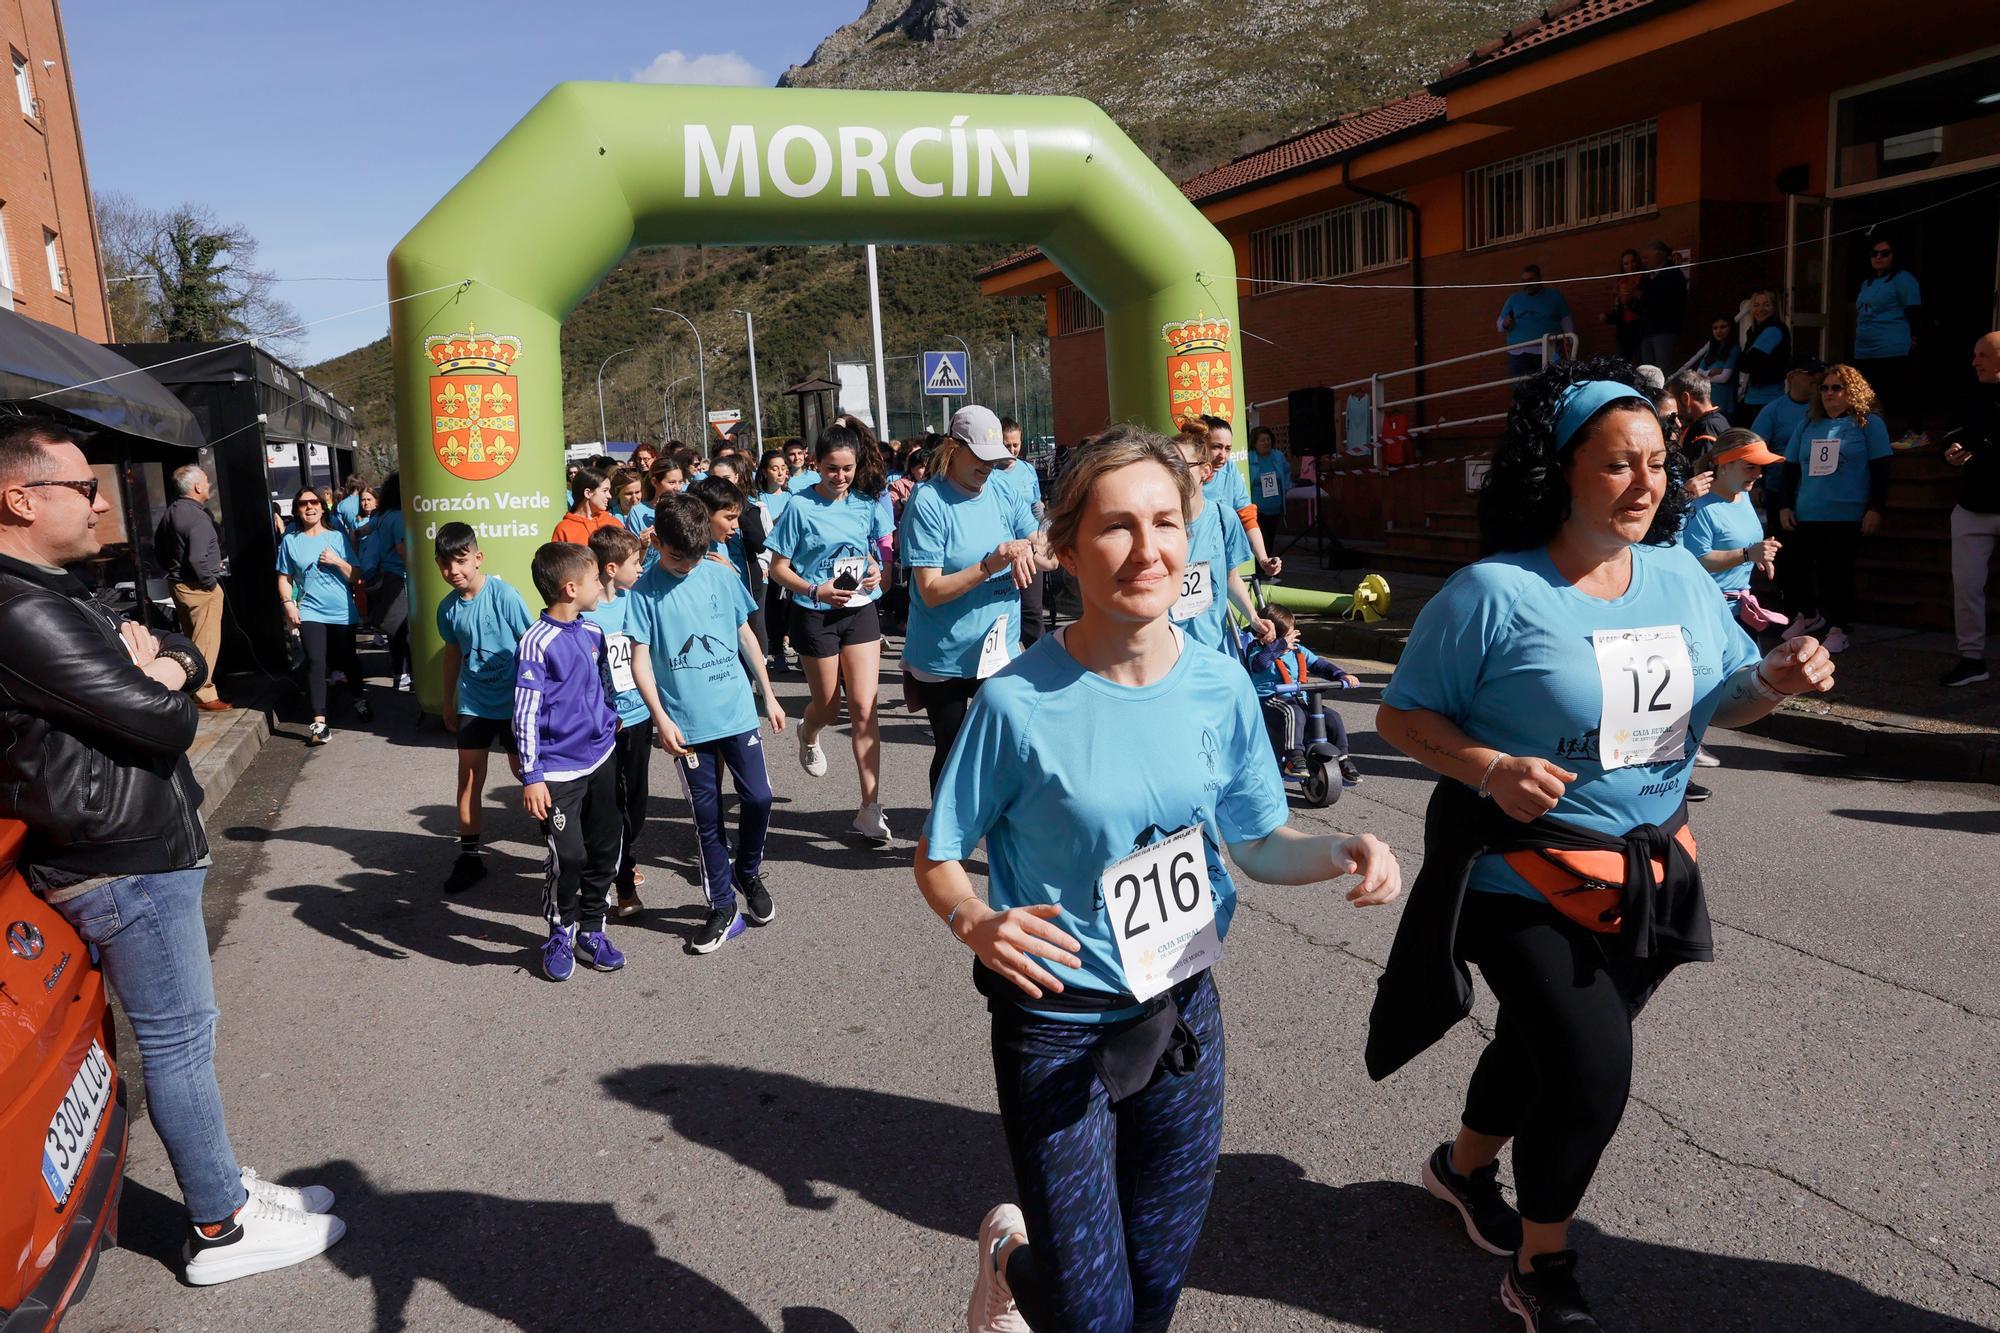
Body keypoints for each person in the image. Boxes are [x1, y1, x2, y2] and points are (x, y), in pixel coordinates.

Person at [1368, 360, 1833, 1330]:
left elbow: (1726, 695)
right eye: (1616, 464)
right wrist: (1488, 765)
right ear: (1560, 468)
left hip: (1650, 869)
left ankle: (1457, 1167)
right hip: (1519, 870)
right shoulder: (1491, 593)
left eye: (1656, 463)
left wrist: (1780, 679)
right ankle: (1542, 1266)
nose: (1643, 483)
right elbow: (1401, 717)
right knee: (1588, 1063)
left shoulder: (1672, 578)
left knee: (1544, 1045)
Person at [914, 424, 1403, 1333]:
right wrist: (975, 920)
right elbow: (939, 856)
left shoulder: (1221, 686)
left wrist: (1340, 849)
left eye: (1166, 522)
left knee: (1155, 1288)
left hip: (1182, 1012)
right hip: (1057, 1025)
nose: (1148, 550)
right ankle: (1009, 1257)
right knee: (1096, 1316)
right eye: (1116, 527)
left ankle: (1027, 1271)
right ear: (1064, 548)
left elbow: (1257, 841)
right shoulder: (1016, 702)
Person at [0, 418, 345, 1285]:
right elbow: (164, 713)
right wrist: (156, 676)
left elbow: (178, 648)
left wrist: (163, 664)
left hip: (135, 844)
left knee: (188, 1037)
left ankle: (221, 1182)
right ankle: (220, 1227)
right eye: (82, 486)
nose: (101, 498)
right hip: (121, 858)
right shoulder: (25, 609)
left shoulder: (57, 588)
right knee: (180, 1045)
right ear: (19, 497)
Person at [628, 493, 786, 954]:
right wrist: (660, 719)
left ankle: (749, 871)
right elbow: (640, 661)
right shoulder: (644, 593)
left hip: (736, 711)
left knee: (760, 797)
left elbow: (743, 633)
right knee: (707, 817)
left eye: (695, 555)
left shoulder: (719, 572)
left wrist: (769, 694)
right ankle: (721, 906)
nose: (686, 564)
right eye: (677, 555)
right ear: (657, 542)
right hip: (687, 725)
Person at [900, 406, 1048, 790]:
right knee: (952, 753)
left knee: (1004, 751)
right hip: (944, 652)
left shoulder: (1002, 487)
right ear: (953, 448)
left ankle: (994, 835)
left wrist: (1047, 551)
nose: (988, 466)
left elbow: (1034, 541)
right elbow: (931, 592)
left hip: (998, 648)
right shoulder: (929, 501)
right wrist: (990, 564)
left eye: (995, 458)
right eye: (980, 457)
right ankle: (943, 841)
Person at [765, 422, 893, 843]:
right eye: (833, 469)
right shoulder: (799, 507)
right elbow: (778, 569)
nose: (841, 477)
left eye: (848, 469)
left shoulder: (864, 503)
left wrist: (874, 571)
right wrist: (814, 589)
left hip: (859, 611)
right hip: (814, 613)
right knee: (829, 705)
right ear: (817, 465)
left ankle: (870, 807)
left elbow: (870, 555)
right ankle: (809, 731)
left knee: (864, 707)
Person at [514, 541, 625, 982]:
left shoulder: (593, 632)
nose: (603, 585)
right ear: (570, 588)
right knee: (571, 855)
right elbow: (524, 712)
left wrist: (610, 719)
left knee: (605, 847)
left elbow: (604, 684)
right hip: (558, 772)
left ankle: (593, 929)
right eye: (597, 579)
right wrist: (532, 775)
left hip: (601, 759)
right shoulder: (535, 642)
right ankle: (561, 929)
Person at [433, 522, 536, 896]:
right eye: (445, 564)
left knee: (526, 771)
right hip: (474, 704)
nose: (454, 571)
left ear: (478, 558)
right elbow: (453, 653)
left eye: (461, 561)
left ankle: (556, 835)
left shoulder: (504, 594)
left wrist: (542, 698)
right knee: (470, 778)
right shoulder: (447, 609)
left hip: (515, 704)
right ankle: (470, 856)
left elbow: (532, 644)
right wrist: (448, 701)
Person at [1777, 363, 1892, 653]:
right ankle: (1811, 616)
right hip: (1808, 511)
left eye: (1836, 388)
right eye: (1824, 387)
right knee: (1794, 566)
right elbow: (1790, 468)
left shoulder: (1868, 423)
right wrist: (1785, 505)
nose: (1829, 393)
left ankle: (1838, 627)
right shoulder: (1808, 422)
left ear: (1851, 391)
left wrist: (1875, 508)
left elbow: (1881, 469)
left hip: (1847, 513)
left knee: (1836, 574)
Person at [576, 525, 655, 917]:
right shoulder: (589, 613)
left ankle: (625, 856)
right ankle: (619, 881)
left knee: (637, 801)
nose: (640, 567)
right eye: (634, 562)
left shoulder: (634, 602)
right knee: (610, 804)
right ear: (611, 568)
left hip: (639, 717)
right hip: (605, 724)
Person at [276, 485, 367, 745]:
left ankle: (359, 698)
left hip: (340, 610)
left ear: (322, 506)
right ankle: (319, 722)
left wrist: (337, 561)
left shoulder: (337, 538)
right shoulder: (290, 542)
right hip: (310, 609)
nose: (310, 507)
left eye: (314, 502)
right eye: (304, 504)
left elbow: (357, 576)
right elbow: (284, 577)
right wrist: (288, 604)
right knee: (316, 661)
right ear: (296, 510)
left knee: (347, 659)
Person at [1172, 427, 1272, 655]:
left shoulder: (1224, 518)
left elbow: (1231, 577)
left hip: (1212, 647)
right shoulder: (1153, 522)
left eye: (1180, 466)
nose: (1171, 473)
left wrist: (1254, 619)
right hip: (1166, 650)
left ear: (1204, 471)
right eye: (1166, 466)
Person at [1939, 331, 2000, 687]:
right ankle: (1972, 659)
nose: (1975, 361)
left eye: (1983, 355)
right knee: (1966, 585)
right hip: (1972, 506)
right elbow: (1952, 433)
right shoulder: (1969, 394)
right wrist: (1952, 449)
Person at [1247, 603, 1361, 786]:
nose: (1292, 639)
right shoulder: (1258, 651)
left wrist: (1341, 675)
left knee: (1331, 717)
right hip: (1271, 699)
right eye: (1286, 636)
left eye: (1292, 634)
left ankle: (1342, 758)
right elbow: (1260, 665)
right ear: (1267, 634)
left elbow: (1319, 665)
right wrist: (1279, 646)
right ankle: (1294, 757)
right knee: (1294, 713)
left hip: (1299, 698)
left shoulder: (1298, 651)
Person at [155, 463, 231, 712]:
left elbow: (158, 548)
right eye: (206, 481)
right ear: (198, 486)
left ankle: (193, 688)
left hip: (179, 584)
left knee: (193, 639)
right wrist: (210, 582)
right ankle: (203, 691)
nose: (209, 485)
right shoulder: (197, 517)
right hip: (199, 588)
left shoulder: (171, 511)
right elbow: (197, 559)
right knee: (206, 642)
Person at [1852, 237, 1921, 425]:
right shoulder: (1867, 282)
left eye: (1885, 253)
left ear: (1894, 256)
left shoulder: (1903, 279)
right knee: (1867, 394)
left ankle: (1915, 432)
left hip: (1892, 346)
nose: (1878, 257)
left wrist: (1915, 336)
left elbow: (1914, 310)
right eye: (1874, 253)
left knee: (1899, 391)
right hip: (1865, 348)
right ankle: (1874, 432)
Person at [1202, 416, 1282, 577]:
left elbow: (1247, 516)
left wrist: (1263, 559)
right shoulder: (1183, 474)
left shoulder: (1230, 468)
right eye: (1216, 447)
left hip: (1223, 558)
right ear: (1200, 445)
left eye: (1228, 448)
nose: (1223, 455)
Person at [995, 416, 1049, 647]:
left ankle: (1038, 655)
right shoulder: (990, 473)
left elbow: (1036, 506)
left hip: (1030, 545)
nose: (1012, 450)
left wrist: (1044, 533)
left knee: (1032, 609)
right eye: (1007, 445)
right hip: (1003, 548)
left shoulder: (1027, 470)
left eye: (1016, 444)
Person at [358, 473, 412, 692]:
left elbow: (358, 532)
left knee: (395, 632)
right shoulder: (399, 517)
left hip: (385, 577)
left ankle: (399, 674)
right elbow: (403, 551)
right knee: (406, 631)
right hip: (401, 579)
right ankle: (408, 676)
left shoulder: (382, 516)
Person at [754, 448, 796, 671]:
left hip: (791, 562)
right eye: (774, 468)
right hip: (767, 562)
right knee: (772, 609)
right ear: (764, 471)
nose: (780, 473)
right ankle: (775, 653)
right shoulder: (758, 498)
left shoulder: (793, 498)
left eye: (783, 468)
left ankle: (795, 649)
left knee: (789, 607)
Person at [1497, 264, 1574, 379]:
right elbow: (1499, 325)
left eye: (1530, 280)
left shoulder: (1554, 297)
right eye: (1523, 281)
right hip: (1519, 352)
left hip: (1548, 349)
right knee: (1521, 388)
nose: (1527, 284)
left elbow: (1566, 320)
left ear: (1539, 279)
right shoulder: (1514, 299)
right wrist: (1505, 323)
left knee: (1550, 384)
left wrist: (1569, 339)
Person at [1734, 290, 1791, 427]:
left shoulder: (1773, 330)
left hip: (1767, 399)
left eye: (1766, 305)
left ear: (1775, 307)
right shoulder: (1754, 331)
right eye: (1756, 305)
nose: (1761, 309)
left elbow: (1746, 363)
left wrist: (1742, 358)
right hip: (1751, 396)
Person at [1636, 239, 1687, 370]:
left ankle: (1664, 391)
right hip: (1647, 330)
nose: (1644, 261)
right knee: (1647, 371)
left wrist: (1641, 296)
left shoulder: (1673, 273)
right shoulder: (1646, 276)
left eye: (1646, 257)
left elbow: (1668, 300)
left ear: (1658, 255)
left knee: (1663, 368)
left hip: (1664, 329)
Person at [1668, 368, 1731, 465]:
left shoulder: (1703, 433)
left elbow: (1697, 475)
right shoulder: (1720, 419)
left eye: (1674, 402)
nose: (1674, 410)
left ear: (1686, 398)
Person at [552, 465, 623, 546]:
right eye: (605, 491)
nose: (609, 496)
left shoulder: (613, 523)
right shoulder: (564, 529)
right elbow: (556, 558)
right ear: (588, 493)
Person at [1690, 317, 1740, 418]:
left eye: (1723, 327)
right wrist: (1711, 372)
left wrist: (1705, 375)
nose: (1719, 331)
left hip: (1725, 403)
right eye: (1715, 328)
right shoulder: (1712, 350)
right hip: (1709, 401)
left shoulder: (1734, 349)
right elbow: (1698, 373)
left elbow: (1724, 378)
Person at [1247, 425, 1290, 535]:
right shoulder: (1248, 458)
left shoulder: (1278, 456)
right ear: (1255, 443)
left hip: (1275, 508)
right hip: (1256, 511)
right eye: (1262, 440)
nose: (1266, 442)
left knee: (1270, 541)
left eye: (1268, 439)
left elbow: (1287, 471)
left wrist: (1285, 488)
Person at [1603, 248, 1643, 366]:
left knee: (1641, 363)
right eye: (1626, 263)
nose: (1630, 266)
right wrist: (1608, 317)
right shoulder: (1620, 283)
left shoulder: (1644, 278)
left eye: (1632, 262)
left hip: (1640, 329)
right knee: (1621, 364)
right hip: (1624, 330)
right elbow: (1618, 310)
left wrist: (1634, 296)